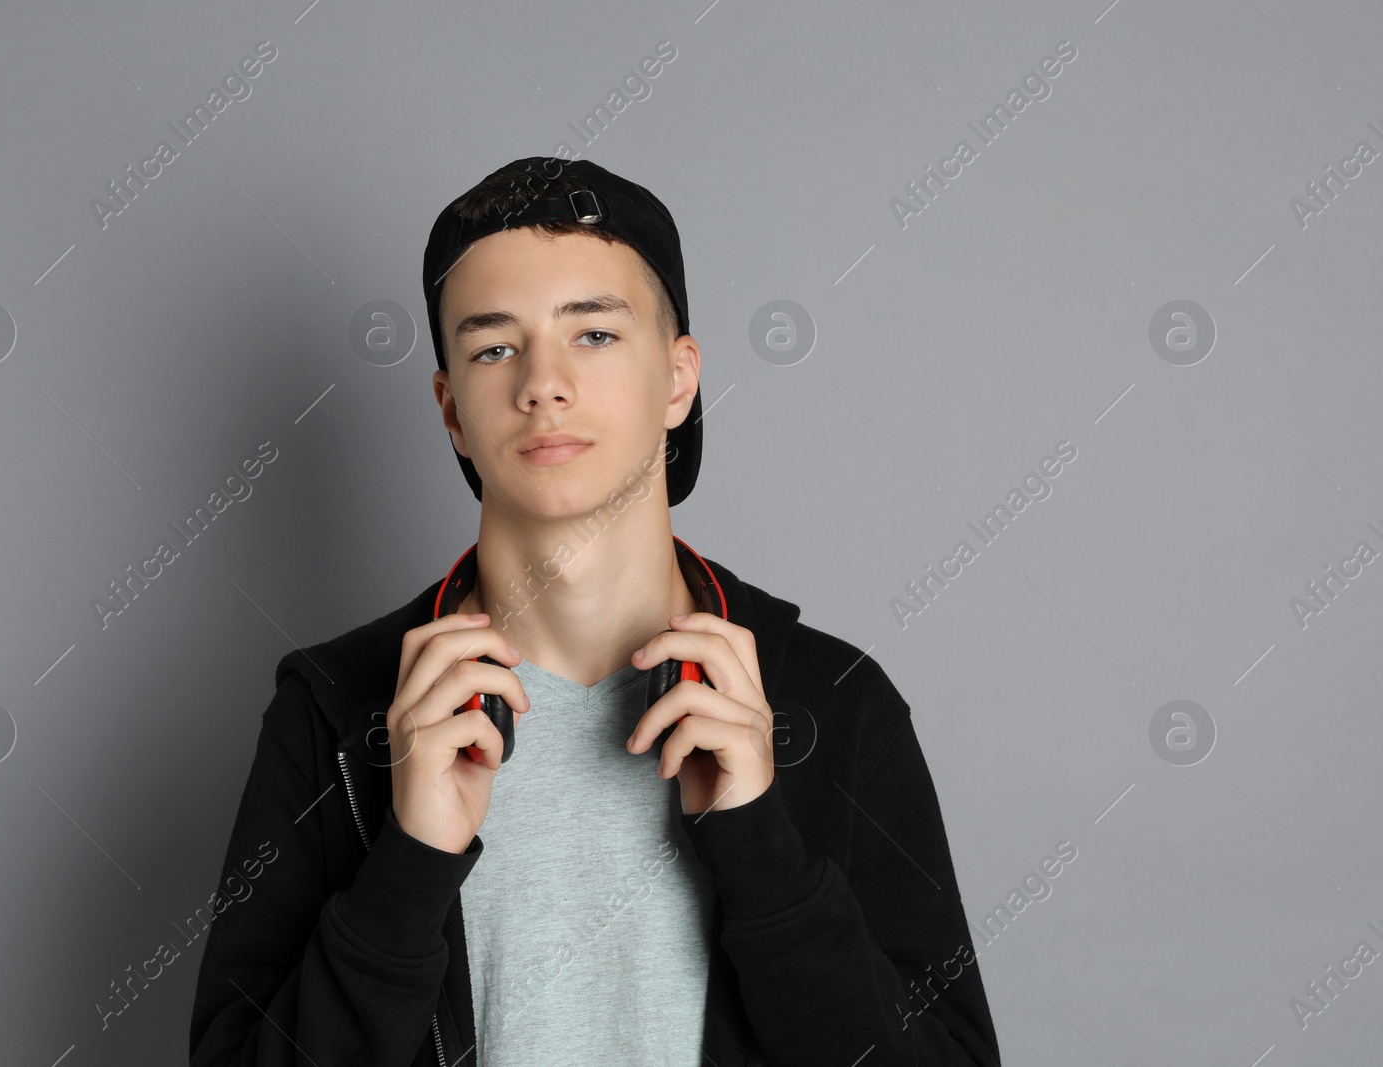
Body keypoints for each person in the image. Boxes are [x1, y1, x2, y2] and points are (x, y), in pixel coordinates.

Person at [187, 156, 1001, 1066]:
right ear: (451, 409)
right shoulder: (334, 714)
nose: (544, 383)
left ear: (680, 379)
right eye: (495, 346)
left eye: (596, 335)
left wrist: (768, 862)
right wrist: (409, 866)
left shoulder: (836, 705)